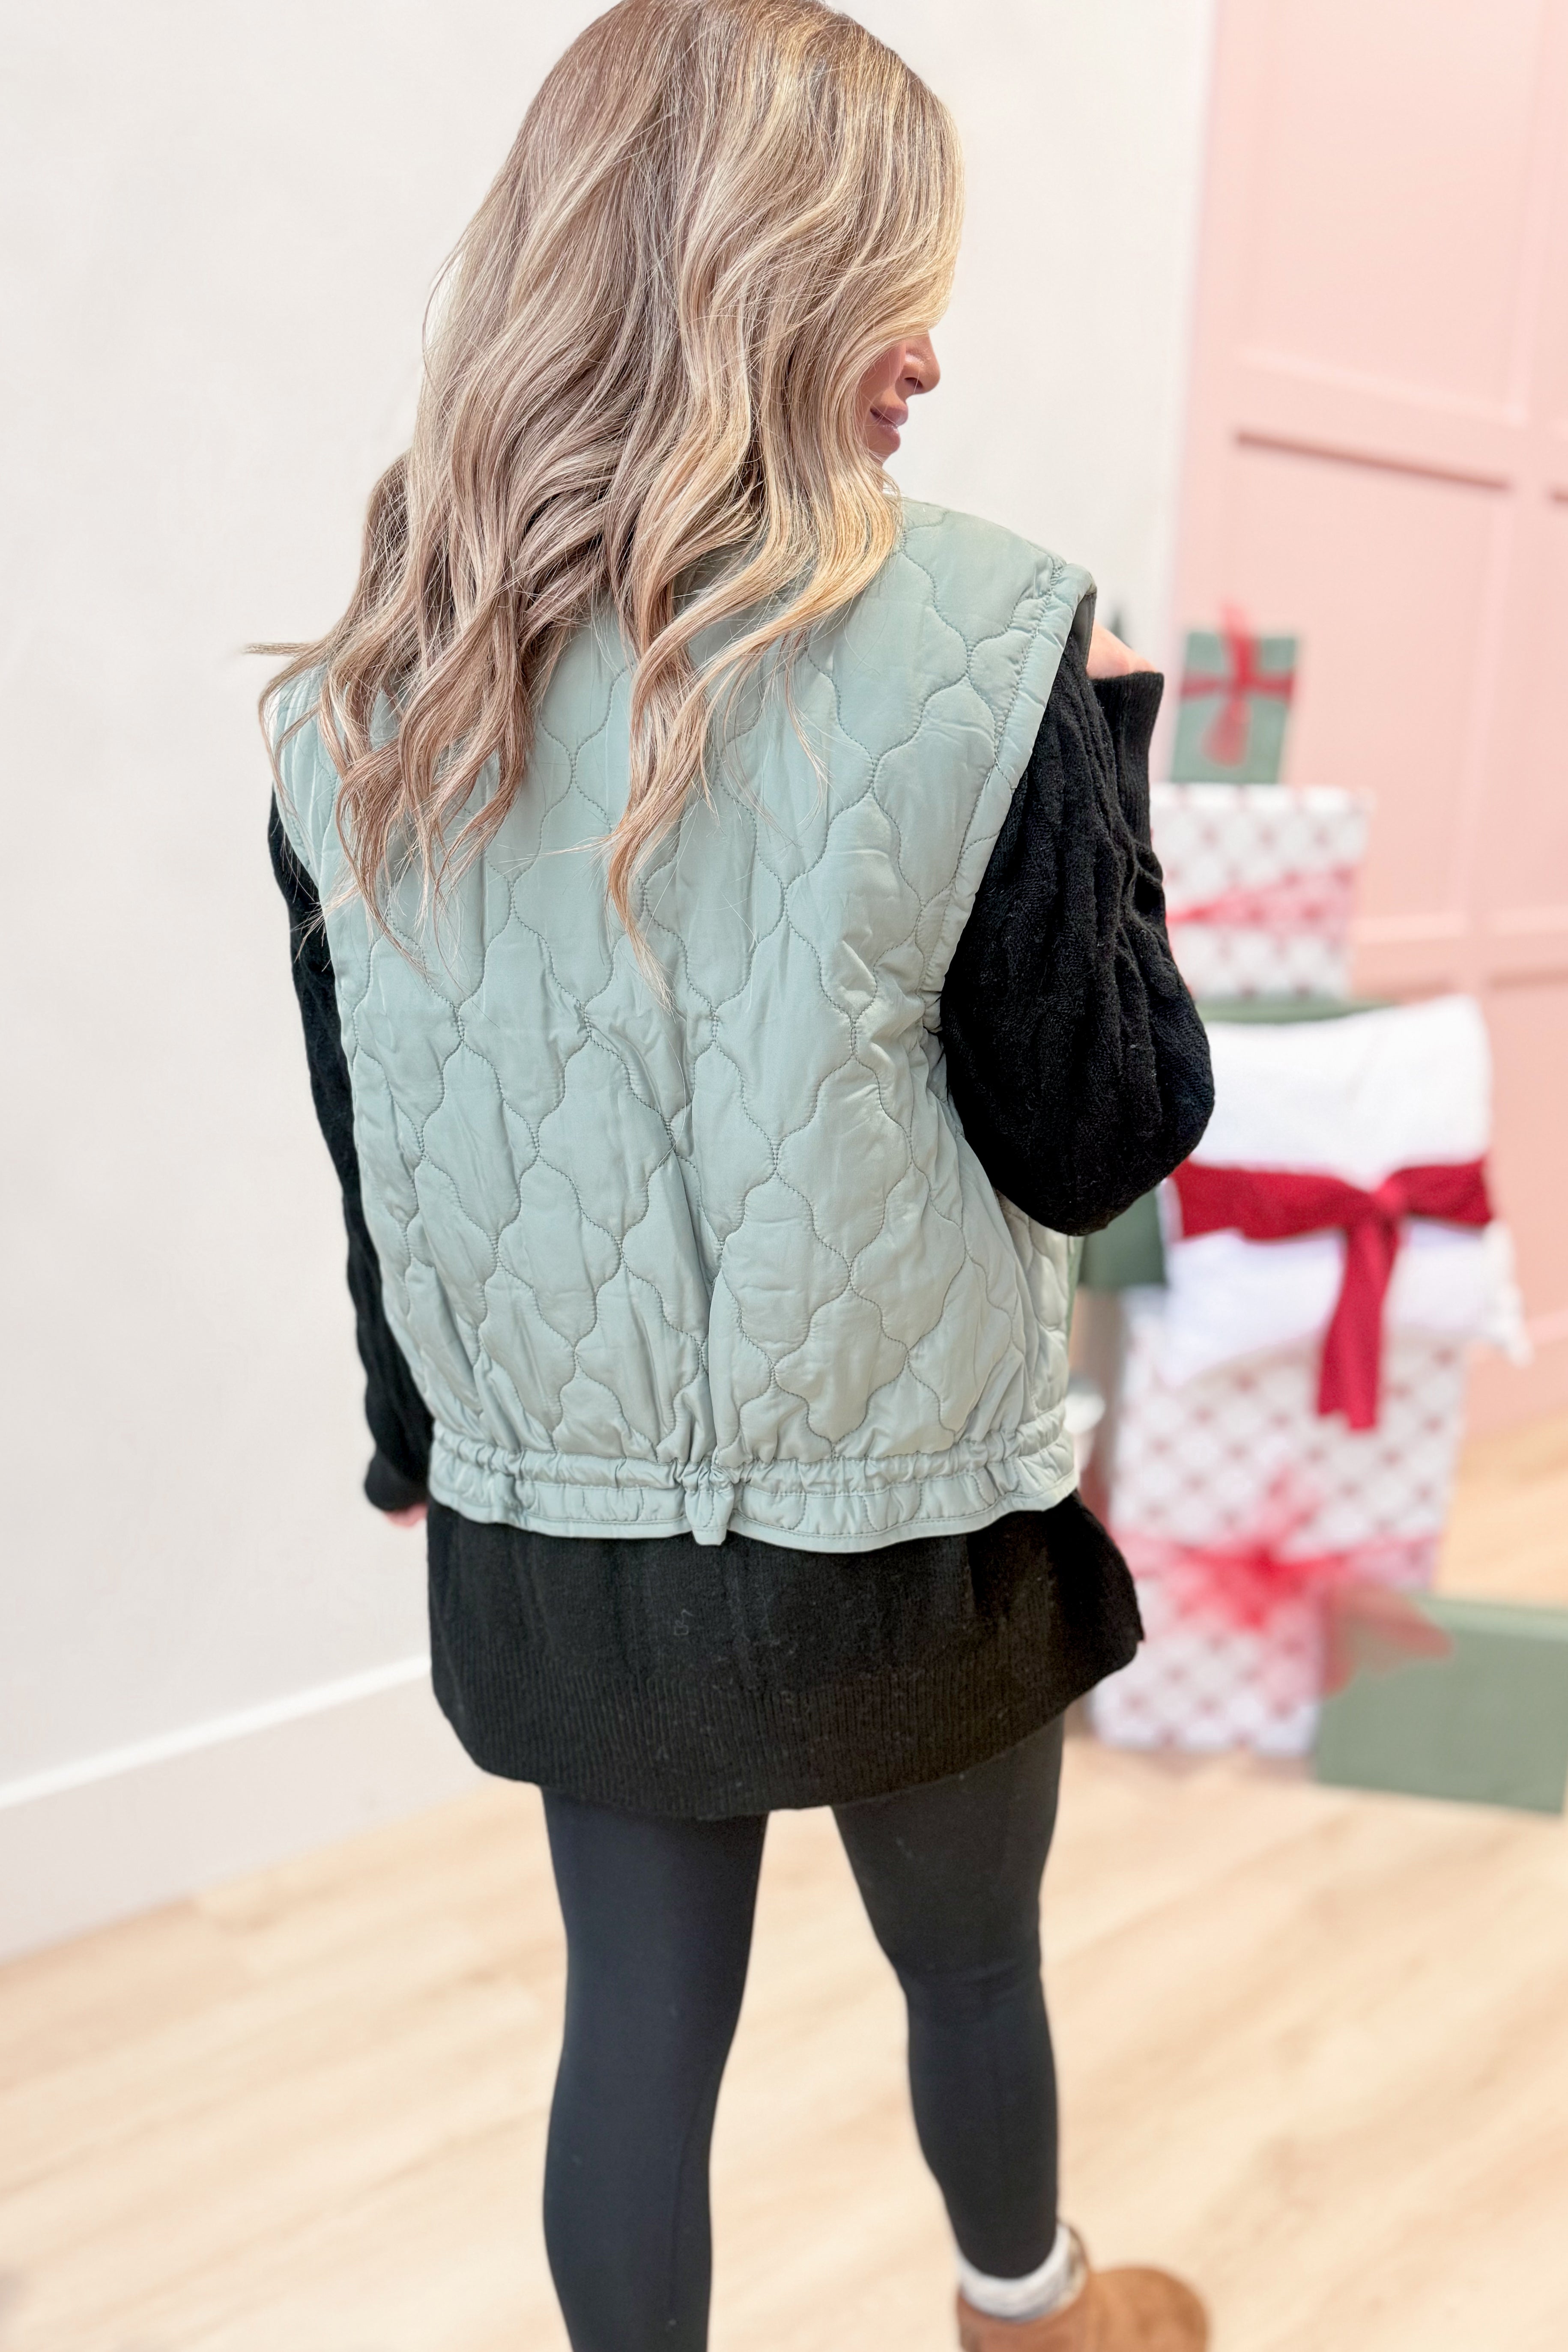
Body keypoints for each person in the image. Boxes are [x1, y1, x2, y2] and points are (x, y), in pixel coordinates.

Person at [263, 4, 1215, 2346]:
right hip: (913, 1534)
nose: (931, 355)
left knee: (632, 2035)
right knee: (972, 1967)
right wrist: (1107, 744)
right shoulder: (994, 635)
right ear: (766, 284)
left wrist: (412, 1441)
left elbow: (381, 1148)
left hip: (559, 1536)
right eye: (897, 284)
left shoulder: (363, 702)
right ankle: (1030, 2310)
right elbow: (1102, 1133)